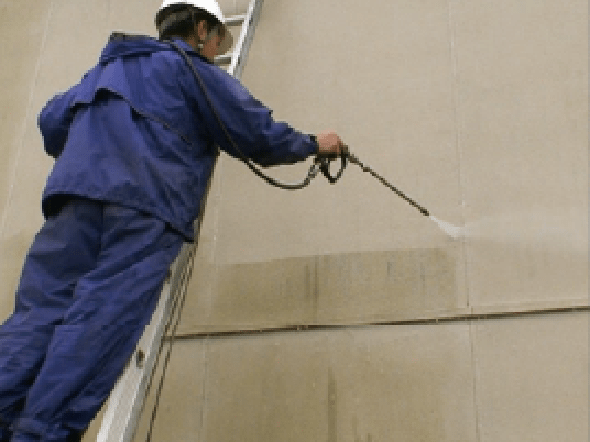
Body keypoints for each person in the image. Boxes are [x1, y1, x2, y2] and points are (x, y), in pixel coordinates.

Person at [0, 1, 344, 441]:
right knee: (99, 321)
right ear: (201, 29)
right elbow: (255, 133)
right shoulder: (191, 71)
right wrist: (313, 144)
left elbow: (51, 122)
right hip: (144, 209)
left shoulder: (104, 70)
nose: (216, 52)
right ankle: (39, 435)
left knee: (37, 317)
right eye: (217, 42)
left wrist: (98, 137)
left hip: (73, 207)